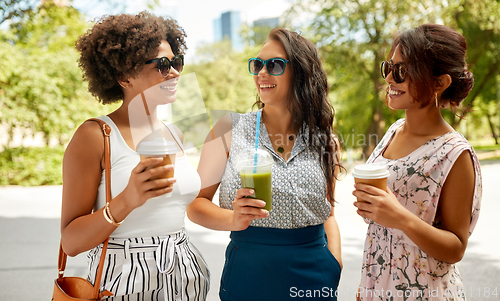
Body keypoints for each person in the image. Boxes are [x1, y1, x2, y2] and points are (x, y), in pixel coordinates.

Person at [61, 11, 210, 300]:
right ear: (123, 76)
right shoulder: (95, 136)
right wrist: (128, 199)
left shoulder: (175, 133)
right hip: (123, 279)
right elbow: (71, 241)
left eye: (176, 62)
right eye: (162, 65)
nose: (175, 72)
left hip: (185, 273)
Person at [187, 28, 342, 300]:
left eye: (274, 65)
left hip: (315, 273)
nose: (261, 72)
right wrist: (233, 219)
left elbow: (328, 212)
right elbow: (195, 205)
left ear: (302, 72)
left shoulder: (325, 140)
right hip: (249, 272)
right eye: (257, 64)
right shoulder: (228, 129)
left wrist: (335, 263)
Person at [353, 24, 482, 301]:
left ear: (439, 83)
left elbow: (456, 247)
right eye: (388, 67)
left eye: (402, 71)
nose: (389, 78)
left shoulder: (455, 153)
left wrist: (399, 217)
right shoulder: (393, 131)